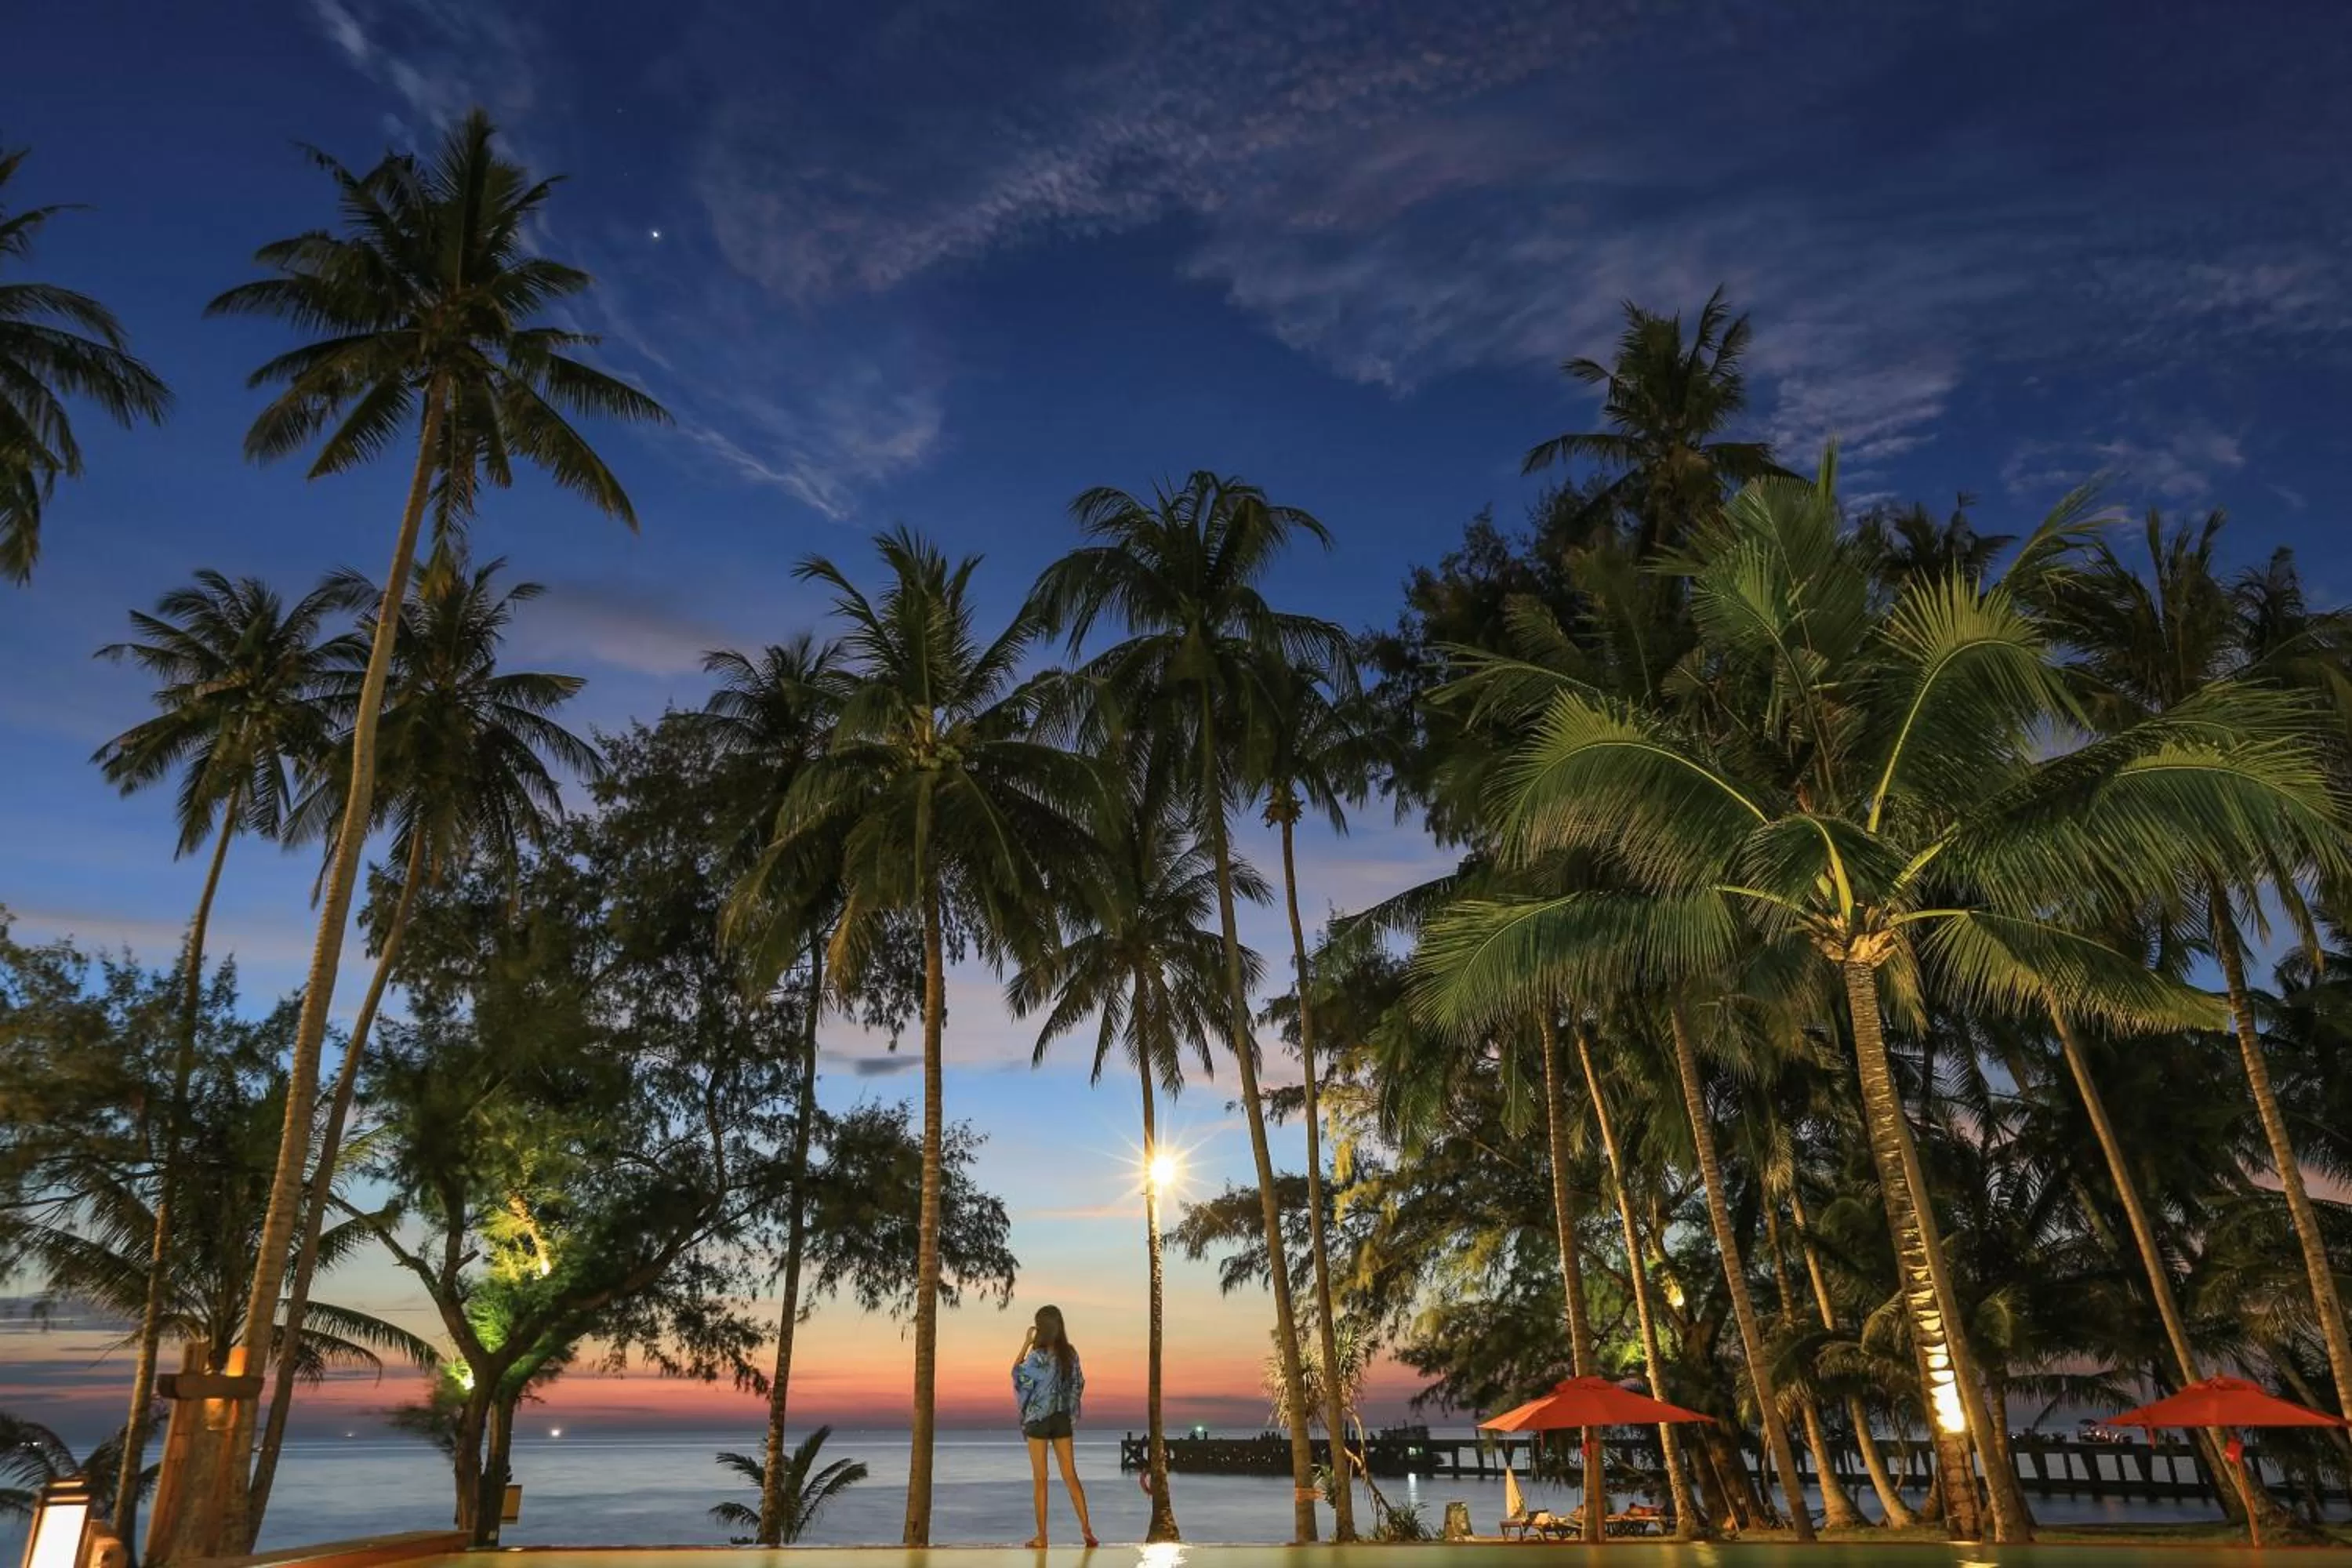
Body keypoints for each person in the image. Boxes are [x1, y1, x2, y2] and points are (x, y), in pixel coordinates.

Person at [1012, 1304, 1096, 1548]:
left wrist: (1026, 1343)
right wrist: (1070, 1410)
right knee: (1070, 1475)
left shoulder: (1037, 1356)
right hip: (1061, 1418)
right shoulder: (1070, 1354)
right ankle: (1087, 1530)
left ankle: (1042, 1537)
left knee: (1041, 1479)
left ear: (1040, 1328)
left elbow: (1018, 1375)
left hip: (1038, 1420)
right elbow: (1079, 1383)